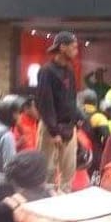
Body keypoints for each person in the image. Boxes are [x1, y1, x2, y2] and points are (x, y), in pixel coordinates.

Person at [36, 31, 81, 192]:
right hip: (50, 128)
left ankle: (65, 202)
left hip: (69, 127)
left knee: (68, 171)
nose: (76, 51)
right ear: (62, 47)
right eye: (74, 47)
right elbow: (44, 103)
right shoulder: (46, 71)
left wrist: (76, 120)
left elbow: (72, 99)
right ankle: (45, 203)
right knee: (47, 171)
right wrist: (54, 131)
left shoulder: (69, 70)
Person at [79, 89, 111, 179]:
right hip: (94, 156)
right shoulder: (98, 117)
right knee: (94, 184)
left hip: (78, 155)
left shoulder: (75, 115)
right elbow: (107, 138)